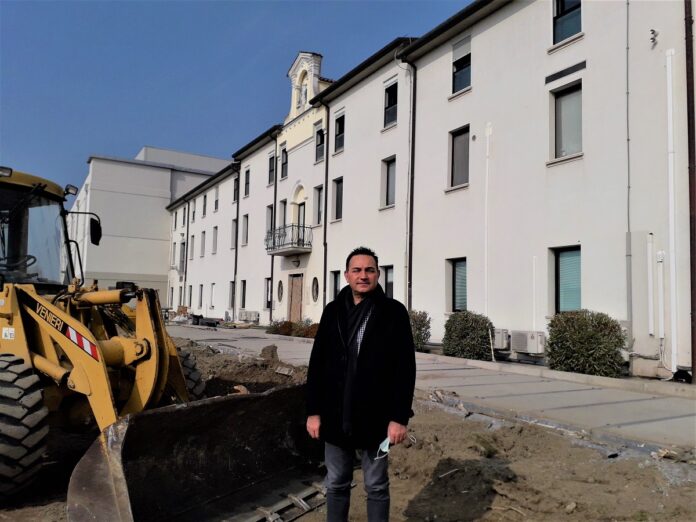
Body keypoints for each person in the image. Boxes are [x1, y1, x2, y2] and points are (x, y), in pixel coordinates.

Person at [306, 246, 416, 522]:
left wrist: (399, 418)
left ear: (378, 274)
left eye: (369, 270)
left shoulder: (393, 312)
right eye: (357, 270)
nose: (363, 275)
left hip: (377, 418)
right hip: (334, 414)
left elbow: (405, 369)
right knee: (336, 483)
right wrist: (313, 411)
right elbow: (317, 365)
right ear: (346, 275)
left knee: (376, 485)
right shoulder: (332, 312)